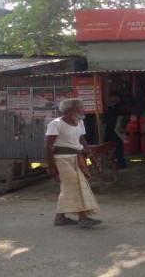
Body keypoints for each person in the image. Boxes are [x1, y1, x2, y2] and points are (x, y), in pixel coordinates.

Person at [45, 98, 102, 228]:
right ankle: (83, 218)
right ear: (68, 110)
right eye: (79, 107)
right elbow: (49, 146)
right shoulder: (56, 124)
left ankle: (60, 218)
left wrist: (90, 153)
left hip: (76, 158)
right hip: (61, 159)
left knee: (69, 188)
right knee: (75, 187)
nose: (83, 109)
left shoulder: (80, 122)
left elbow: (81, 139)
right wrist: (51, 166)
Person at [104, 92, 128, 169]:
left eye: (112, 97)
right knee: (116, 147)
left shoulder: (120, 106)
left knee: (118, 148)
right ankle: (118, 163)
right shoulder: (114, 106)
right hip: (114, 130)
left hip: (116, 129)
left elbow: (115, 117)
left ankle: (121, 164)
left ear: (116, 97)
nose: (110, 99)